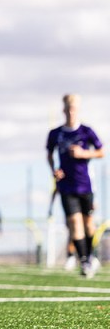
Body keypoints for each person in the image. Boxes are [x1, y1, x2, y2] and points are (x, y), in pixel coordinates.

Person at [47, 93, 105, 278]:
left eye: (73, 109)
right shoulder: (56, 133)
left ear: (77, 110)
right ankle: (84, 261)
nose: (71, 112)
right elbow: (49, 154)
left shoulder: (86, 131)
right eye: (68, 109)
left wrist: (83, 153)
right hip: (66, 186)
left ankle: (90, 255)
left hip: (85, 185)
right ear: (63, 110)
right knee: (74, 223)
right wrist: (54, 170)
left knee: (89, 225)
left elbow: (101, 151)